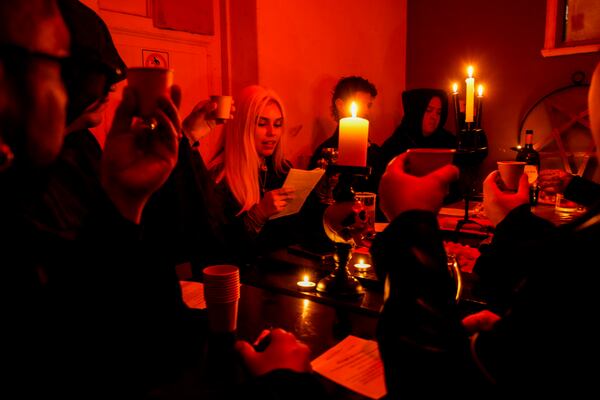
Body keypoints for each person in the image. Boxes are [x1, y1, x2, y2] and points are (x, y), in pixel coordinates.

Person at [1, 1, 321, 397]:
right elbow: (72, 350)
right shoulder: (21, 192)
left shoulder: (74, 151)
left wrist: (124, 202)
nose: (113, 77)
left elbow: (116, 305)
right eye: (53, 60)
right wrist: (281, 384)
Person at [371, 62, 600, 397]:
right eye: (429, 111)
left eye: (439, 111)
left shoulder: (578, 262)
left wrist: (410, 221)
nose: (435, 118)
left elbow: (428, 383)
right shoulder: (396, 145)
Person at [208, 85, 301, 262]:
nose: (272, 133)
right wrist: (256, 216)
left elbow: (297, 233)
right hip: (241, 282)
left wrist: (322, 194)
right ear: (242, 125)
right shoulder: (219, 177)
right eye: (262, 123)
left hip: (282, 274)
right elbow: (217, 251)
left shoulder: (281, 169)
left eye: (278, 124)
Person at [308, 76, 380, 192]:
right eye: (361, 104)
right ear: (340, 105)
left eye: (369, 105)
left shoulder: (375, 153)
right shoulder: (325, 154)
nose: (367, 112)